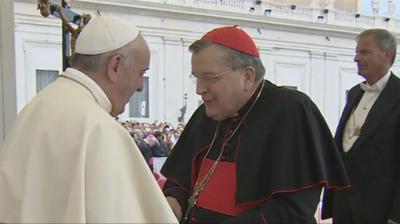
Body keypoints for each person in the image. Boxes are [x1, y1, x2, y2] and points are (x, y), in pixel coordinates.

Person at [161, 26, 350, 223]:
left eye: (210, 78)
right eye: (197, 78)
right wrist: (174, 200)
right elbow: (180, 178)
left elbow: (292, 211)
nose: (200, 89)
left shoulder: (290, 109)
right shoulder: (206, 113)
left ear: (248, 76)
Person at [0, 15, 177, 223]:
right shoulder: (100, 128)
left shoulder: (34, 109)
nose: (140, 87)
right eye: (141, 73)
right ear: (115, 66)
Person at [321, 29, 400, 224]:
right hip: (344, 207)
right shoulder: (355, 93)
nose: (356, 58)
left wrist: (396, 215)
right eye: (356, 52)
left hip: (380, 212)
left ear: (387, 54)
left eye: (364, 52)